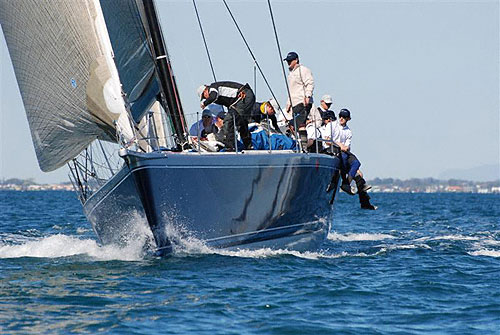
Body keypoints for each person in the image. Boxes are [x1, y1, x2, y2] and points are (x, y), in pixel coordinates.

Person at [332, 109, 375, 210]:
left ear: (348, 119)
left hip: (345, 151)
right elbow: (328, 139)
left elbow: (347, 147)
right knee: (346, 161)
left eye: (344, 116)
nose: (341, 118)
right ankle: (364, 202)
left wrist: (344, 147)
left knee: (356, 163)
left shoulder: (348, 131)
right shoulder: (333, 125)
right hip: (335, 150)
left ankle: (346, 184)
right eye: (340, 116)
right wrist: (340, 145)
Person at [198, 81, 255, 150]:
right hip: (245, 97)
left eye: (204, 96)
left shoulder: (212, 88)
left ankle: (230, 147)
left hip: (243, 96)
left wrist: (205, 103)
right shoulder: (216, 93)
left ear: (205, 90)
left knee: (229, 120)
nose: (206, 98)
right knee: (241, 122)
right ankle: (249, 146)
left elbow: (213, 96)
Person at [283, 51, 314, 129]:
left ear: (296, 60)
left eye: (290, 60)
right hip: (294, 104)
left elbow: (309, 83)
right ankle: (298, 139)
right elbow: (291, 90)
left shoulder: (303, 70)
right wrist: (288, 103)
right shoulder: (291, 74)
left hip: (302, 102)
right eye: (287, 61)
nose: (288, 62)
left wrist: (308, 96)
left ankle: (302, 140)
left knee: (298, 124)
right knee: (292, 125)